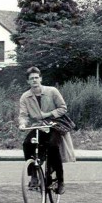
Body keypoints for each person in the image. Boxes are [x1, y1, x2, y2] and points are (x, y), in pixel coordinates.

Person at [19, 66, 67, 194]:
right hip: (38, 126)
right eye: (31, 79)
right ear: (28, 81)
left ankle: (60, 180)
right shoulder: (25, 97)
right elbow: (23, 114)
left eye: (36, 78)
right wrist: (22, 124)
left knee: (52, 147)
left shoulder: (52, 91)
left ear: (40, 78)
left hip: (54, 125)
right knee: (27, 144)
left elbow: (63, 108)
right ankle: (34, 174)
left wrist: (48, 114)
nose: (34, 80)